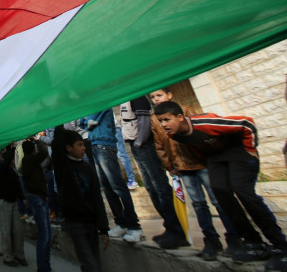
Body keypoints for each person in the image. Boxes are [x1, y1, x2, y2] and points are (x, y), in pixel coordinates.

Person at [155, 101, 287, 271]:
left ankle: (280, 245)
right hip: (215, 158)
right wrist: (208, 160)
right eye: (160, 121)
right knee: (220, 192)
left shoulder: (205, 123)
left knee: (243, 191)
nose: (163, 124)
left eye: (167, 119)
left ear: (180, 117)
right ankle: (254, 243)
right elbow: (196, 147)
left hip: (239, 153)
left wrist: (250, 148)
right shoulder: (174, 135)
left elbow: (246, 123)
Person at [149, 88, 239, 260]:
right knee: (198, 203)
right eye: (152, 97)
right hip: (182, 167)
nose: (156, 99)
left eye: (159, 95)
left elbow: (200, 132)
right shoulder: (155, 120)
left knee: (218, 201)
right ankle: (211, 240)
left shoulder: (185, 110)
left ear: (169, 95)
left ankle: (234, 238)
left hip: (200, 163)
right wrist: (169, 165)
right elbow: (159, 145)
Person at [123, 97, 189, 249]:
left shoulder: (137, 97)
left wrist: (139, 142)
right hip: (136, 146)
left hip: (144, 146)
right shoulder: (124, 100)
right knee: (151, 188)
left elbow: (144, 122)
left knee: (160, 187)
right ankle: (169, 227)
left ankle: (177, 231)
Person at [79, 109, 143, 243]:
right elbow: (82, 124)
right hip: (95, 145)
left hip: (105, 145)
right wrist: (85, 121)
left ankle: (134, 226)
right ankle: (121, 223)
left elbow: (89, 123)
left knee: (117, 186)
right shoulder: (91, 105)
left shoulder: (101, 103)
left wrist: (86, 121)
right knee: (107, 187)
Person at [51, 125, 109, 272]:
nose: (84, 148)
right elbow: (57, 145)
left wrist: (103, 228)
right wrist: (59, 122)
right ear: (68, 148)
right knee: (89, 263)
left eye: (83, 144)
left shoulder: (88, 168)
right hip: (75, 222)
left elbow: (97, 197)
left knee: (95, 261)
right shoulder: (62, 167)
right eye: (79, 145)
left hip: (91, 221)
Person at [21, 138, 52, 272]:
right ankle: (43, 267)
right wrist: (37, 140)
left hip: (39, 197)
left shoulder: (28, 161)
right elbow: (45, 151)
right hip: (37, 198)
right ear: (33, 150)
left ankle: (45, 265)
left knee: (47, 233)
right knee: (44, 233)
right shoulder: (29, 160)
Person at [0, 144, 28, 267]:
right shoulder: (2, 169)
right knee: (6, 231)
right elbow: (5, 162)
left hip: (13, 202)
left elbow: (17, 186)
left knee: (17, 230)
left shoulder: (12, 172)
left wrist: (22, 198)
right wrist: (11, 148)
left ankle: (19, 255)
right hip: (4, 203)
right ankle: (7, 257)